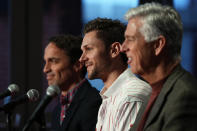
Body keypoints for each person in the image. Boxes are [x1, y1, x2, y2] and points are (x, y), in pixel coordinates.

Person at [121, 2, 197, 131]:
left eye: (131, 39)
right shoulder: (141, 92)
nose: (123, 47)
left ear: (157, 45)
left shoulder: (185, 95)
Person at [79, 18, 152, 131]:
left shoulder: (132, 94)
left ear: (114, 50)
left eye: (88, 49)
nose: (82, 58)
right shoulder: (108, 97)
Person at [43, 35, 102, 131]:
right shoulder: (57, 110)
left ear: (77, 65)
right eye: (45, 62)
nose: (45, 69)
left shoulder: (94, 102)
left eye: (53, 61)